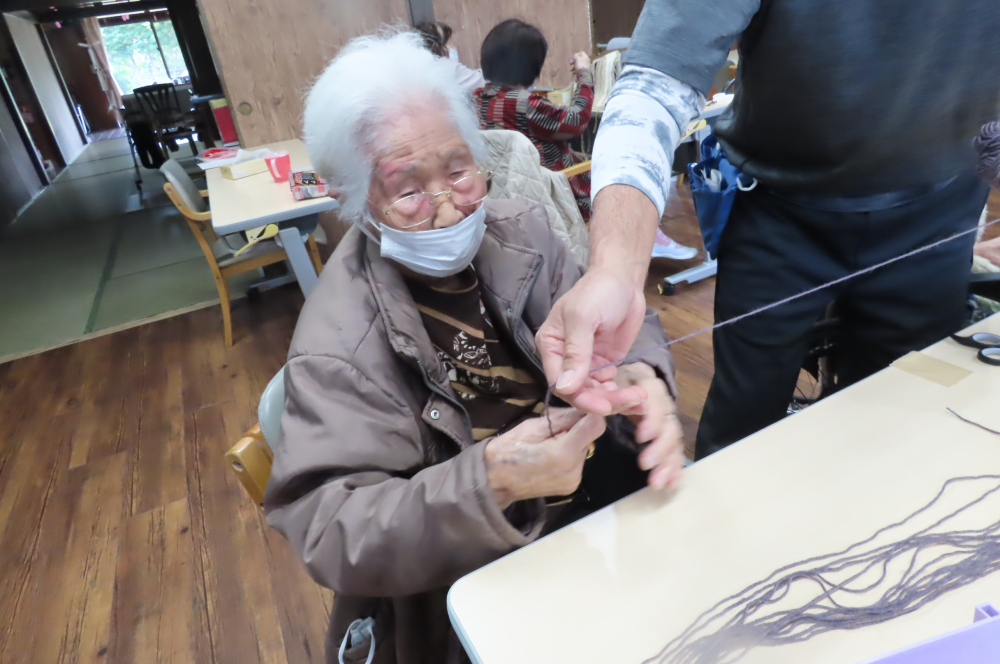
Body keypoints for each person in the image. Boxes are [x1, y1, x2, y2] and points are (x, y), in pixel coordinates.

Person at [265, 30, 684, 664]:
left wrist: (641, 374)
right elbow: (330, 532)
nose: (448, 209)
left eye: (459, 171)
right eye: (407, 190)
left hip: (603, 520)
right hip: (473, 584)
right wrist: (488, 483)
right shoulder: (337, 345)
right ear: (351, 196)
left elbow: (619, 322)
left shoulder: (525, 232)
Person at [536, 0, 1000, 460]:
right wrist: (615, 269)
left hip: (938, 210)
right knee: (740, 424)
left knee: (906, 423)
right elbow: (655, 87)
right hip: (782, 212)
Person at [474, 19, 698, 260]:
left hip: (510, 188)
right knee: (624, 171)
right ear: (529, 65)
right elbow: (578, 120)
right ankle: (644, 237)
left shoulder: (477, 99)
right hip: (556, 187)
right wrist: (584, 73)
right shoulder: (525, 105)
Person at [414, 20, 485, 95]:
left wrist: (453, 60)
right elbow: (482, 81)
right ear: (434, 46)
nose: (450, 46)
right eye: (446, 43)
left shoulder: (413, 68)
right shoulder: (448, 67)